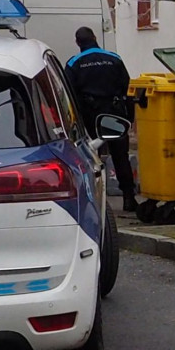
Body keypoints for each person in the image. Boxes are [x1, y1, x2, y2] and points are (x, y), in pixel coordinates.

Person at [64, 27, 138, 212]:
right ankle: (128, 197)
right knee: (120, 156)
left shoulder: (74, 63)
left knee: (89, 157)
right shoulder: (114, 58)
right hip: (114, 114)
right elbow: (128, 90)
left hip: (90, 117)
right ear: (95, 38)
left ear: (77, 42)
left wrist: (73, 121)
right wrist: (129, 117)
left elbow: (69, 96)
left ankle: (93, 201)